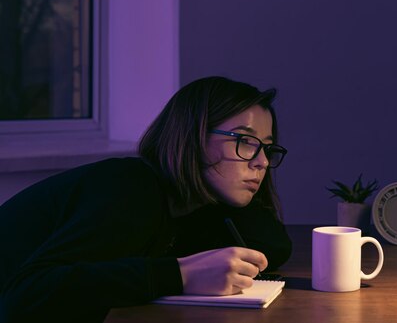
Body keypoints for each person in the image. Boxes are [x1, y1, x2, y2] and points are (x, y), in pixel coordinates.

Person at [0, 77, 292, 323]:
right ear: (191, 137)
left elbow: (273, 248)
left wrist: (235, 185)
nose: (262, 162)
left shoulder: (194, 206)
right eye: (245, 141)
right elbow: (26, 297)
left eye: (266, 148)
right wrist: (180, 275)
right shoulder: (129, 187)